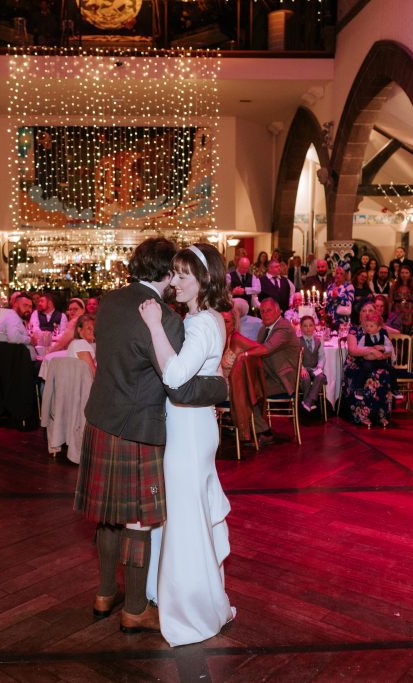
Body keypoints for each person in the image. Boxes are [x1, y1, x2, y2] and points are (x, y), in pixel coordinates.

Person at [73, 237, 227, 638]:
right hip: (139, 427)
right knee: (139, 519)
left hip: (100, 418)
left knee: (108, 515)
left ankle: (106, 594)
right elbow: (179, 381)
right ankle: (136, 609)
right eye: (174, 271)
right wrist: (220, 388)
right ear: (164, 272)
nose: (176, 280)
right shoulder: (165, 318)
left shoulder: (107, 301)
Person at [136, 242, 235, 647]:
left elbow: (175, 376)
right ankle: (198, 598)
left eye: (182, 275)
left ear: (204, 280)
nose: (173, 281)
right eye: (173, 273)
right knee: (187, 512)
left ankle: (191, 610)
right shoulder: (205, 318)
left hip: (190, 433)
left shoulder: (201, 324)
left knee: (184, 517)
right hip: (192, 426)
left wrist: (155, 325)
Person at [242, 298, 300, 444]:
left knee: (247, 391)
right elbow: (257, 350)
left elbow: (266, 348)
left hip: (284, 381)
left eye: (269, 310)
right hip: (270, 377)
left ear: (277, 311)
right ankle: (249, 428)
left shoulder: (284, 327)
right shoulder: (264, 329)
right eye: (262, 311)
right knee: (244, 387)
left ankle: (262, 431)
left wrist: (244, 354)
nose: (265, 314)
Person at [343, 313, 394, 428]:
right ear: (359, 313)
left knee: (384, 374)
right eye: (364, 310)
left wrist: (381, 354)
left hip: (376, 362)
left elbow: (389, 351)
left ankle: (381, 414)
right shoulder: (354, 330)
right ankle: (362, 415)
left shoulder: (381, 330)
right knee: (368, 376)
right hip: (357, 363)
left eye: (370, 310)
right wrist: (371, 351)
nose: (367, 313)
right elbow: (353, 351)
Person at [0, 292, 37, 359]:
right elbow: (14, 338)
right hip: (12, 365)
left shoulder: (16, 317)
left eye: (30, 307)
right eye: (25, 305)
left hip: (17, 362)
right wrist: (30, 340)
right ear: (15, 305)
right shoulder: (12, 317)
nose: (28, 309)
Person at [298, 316, 326, 412]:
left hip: (314, 369)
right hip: (303, 369)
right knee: (306, 379)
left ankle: (308, 402)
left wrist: (319, 367)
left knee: (321, 377)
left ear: (314, 326)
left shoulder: (319, 341)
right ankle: (309, 402)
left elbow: (322, 357)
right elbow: (296, 357)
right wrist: (301, 368)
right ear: (300, 328)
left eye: (310, 325)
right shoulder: (298, 341)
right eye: (305, 326)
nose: (308, 328)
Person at [390, 266, 413, 333]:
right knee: (397, 330)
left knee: (408, 332)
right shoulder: (394, 285)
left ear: (410, 274)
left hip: (410, 310)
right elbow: (390, 300)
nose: (404, 275)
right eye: (402, 273)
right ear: (399, 274)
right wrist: (389, 313)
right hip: (397, 309)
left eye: (406, 273)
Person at [324, 263, 354, 327]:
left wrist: (338, 298)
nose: (338, 276)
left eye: (341, 274)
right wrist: (331, 298)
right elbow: (326, 302)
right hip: (330, 319)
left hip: (343, 320)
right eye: (337, 273)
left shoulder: (349, 286)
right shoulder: (330, 286)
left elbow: (349, 302)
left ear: (345, 275)